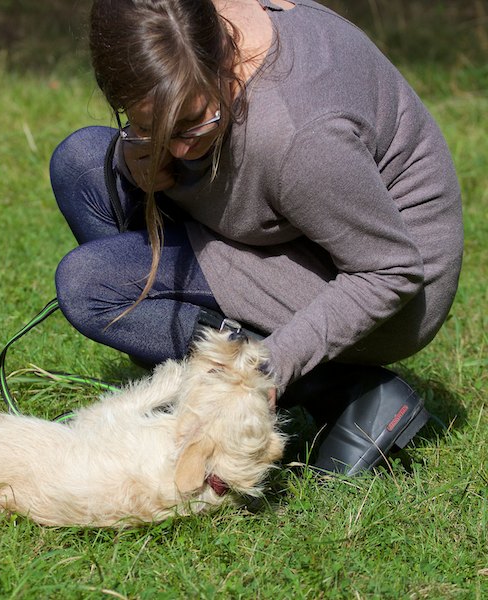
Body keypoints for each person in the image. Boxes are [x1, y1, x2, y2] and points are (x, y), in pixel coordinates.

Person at [49, 0, 463, 475]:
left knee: (92, 286)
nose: (176, 148)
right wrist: (138, 156)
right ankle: (232, 382)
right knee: (81, 163)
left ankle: (340, 391)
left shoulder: (296, 137)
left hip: (385, 290)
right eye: (150, 126)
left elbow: (390, 270)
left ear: (223, 61)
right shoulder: (200, 25)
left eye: (191, 122)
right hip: (301, 225)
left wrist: (272, 365)